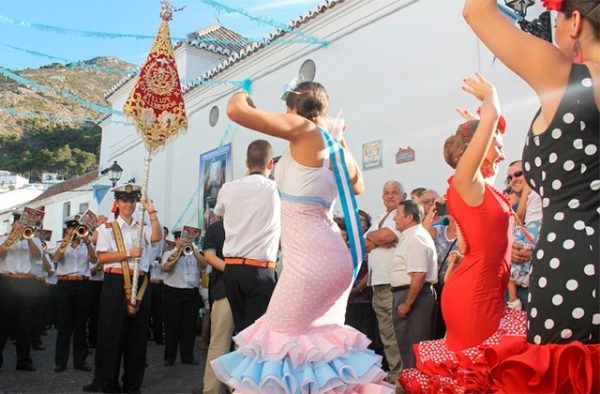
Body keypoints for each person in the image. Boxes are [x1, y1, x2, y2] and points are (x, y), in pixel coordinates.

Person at [211, 83, 392, 392]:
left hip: (309, 263)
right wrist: (339, 137)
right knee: (317, 350)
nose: (284, 114)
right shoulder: (333, 145)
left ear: (295, 108)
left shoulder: (302, 129)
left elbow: (235, 110)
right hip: (336, 259)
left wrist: (242, 91)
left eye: (287, 108)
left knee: (276, 347)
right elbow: (358, 185)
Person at [463, 1, 599, 391]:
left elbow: (476, 11)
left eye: (555, 18)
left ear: (575, 23)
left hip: (573, 262)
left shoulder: (567, 76)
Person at [399, 74, 525, 392]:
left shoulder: (482, 190)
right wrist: (490, 101)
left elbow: (490, 233)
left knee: (485, 374)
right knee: (478, 375)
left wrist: (512, 251)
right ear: (474, 150)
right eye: (495, 146)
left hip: (484, 288)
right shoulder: (464, 184)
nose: (500, 154)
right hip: (474, 295)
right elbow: (492, 120)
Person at [84, 184, 162, 393]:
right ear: (117, 204)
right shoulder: (106, 228)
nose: (128, 205)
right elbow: (102, 258)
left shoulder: (142, 227)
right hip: (115, 283)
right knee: (111, 336)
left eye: (132, 201)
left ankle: (132, 385)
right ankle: (109, 384)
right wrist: (128, 253)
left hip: (141, 284)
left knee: (137, 338)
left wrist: (151, 211)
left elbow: (156, 237)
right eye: (124, 201)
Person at [215, 140, 281, 334]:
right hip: (260, 270)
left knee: (241, 331)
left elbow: (219, 211)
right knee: (258, 335)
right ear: (271, 164)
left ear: (246, 163)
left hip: (233, 269)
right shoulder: (275, 189)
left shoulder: (228, 188)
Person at [365, 181, 405, 381]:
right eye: (386, 193)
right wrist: (375, 237)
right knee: (386, 334)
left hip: (393, 284)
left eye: (394, 193)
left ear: (403, 196)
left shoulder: (403, 215)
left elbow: (389, 236)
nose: (390, 196)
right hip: (377, 284)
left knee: (397, 333)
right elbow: (366, 243)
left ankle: (403, 376)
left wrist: (375, 237)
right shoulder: (381, 217)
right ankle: (395, 372)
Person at [390, 200, 438, 369]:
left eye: (397, 214)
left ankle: (417, 387)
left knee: (415, 350)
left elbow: (419, 274)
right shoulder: (410, 236)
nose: (394, 218)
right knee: (407, 348)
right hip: (408, 295)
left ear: (409, 217)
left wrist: (407, 304)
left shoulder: (416, 238)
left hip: (414, 297)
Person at [0, 210, 44, 372]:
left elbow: (38, 256)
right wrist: (12, 239)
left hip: (26, 284)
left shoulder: (34, 240)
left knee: (25, 324)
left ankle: (24, 361)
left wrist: (28, 239)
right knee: (2, 322)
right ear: (13, 224)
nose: (21, 226)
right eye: (18, 223)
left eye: (24, 224)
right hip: (6, 282)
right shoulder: (3, 239)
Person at [52, 215, 96, 373]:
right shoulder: (60, 244)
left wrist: (88, 241)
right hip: (65, 284)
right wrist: (66, 241)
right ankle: (60, 362)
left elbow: (94, 259)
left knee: (80, 325)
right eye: (71, 228)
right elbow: (56, 258)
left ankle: (80, 361)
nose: (74, 231)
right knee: (64, 325)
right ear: (67, 229)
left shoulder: (86, 245)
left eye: (76, 228)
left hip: (82, 284)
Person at [161, 228, 203, 366]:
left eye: (187, 239)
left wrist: (194, 250)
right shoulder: (168, 253)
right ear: (176, 239)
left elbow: (204, 265)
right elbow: (165, 268)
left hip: (191, 293)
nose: (184, 241)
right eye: (181, 238)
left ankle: (187, 356)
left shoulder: (195, 254)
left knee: (189, 326)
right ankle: (169, 357)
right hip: (173, 292)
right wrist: (178, 253)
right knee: (171, 326)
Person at [201, 218, 234, 394]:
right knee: (221, 343)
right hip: (226, 291)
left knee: (242, 345)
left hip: (246, 291)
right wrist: (237, 272)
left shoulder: (253, 222)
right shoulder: (216, 227)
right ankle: (213, 389)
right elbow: (209, 257)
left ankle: (237, 388)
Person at [148, 227, 169, 346]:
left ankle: (159, 337)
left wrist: (163, 256)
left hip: (161, 284)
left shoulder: (168, 250)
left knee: (158, 313)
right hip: (151, 283)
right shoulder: (152, 247)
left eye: (165, 234)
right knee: (148, 312)